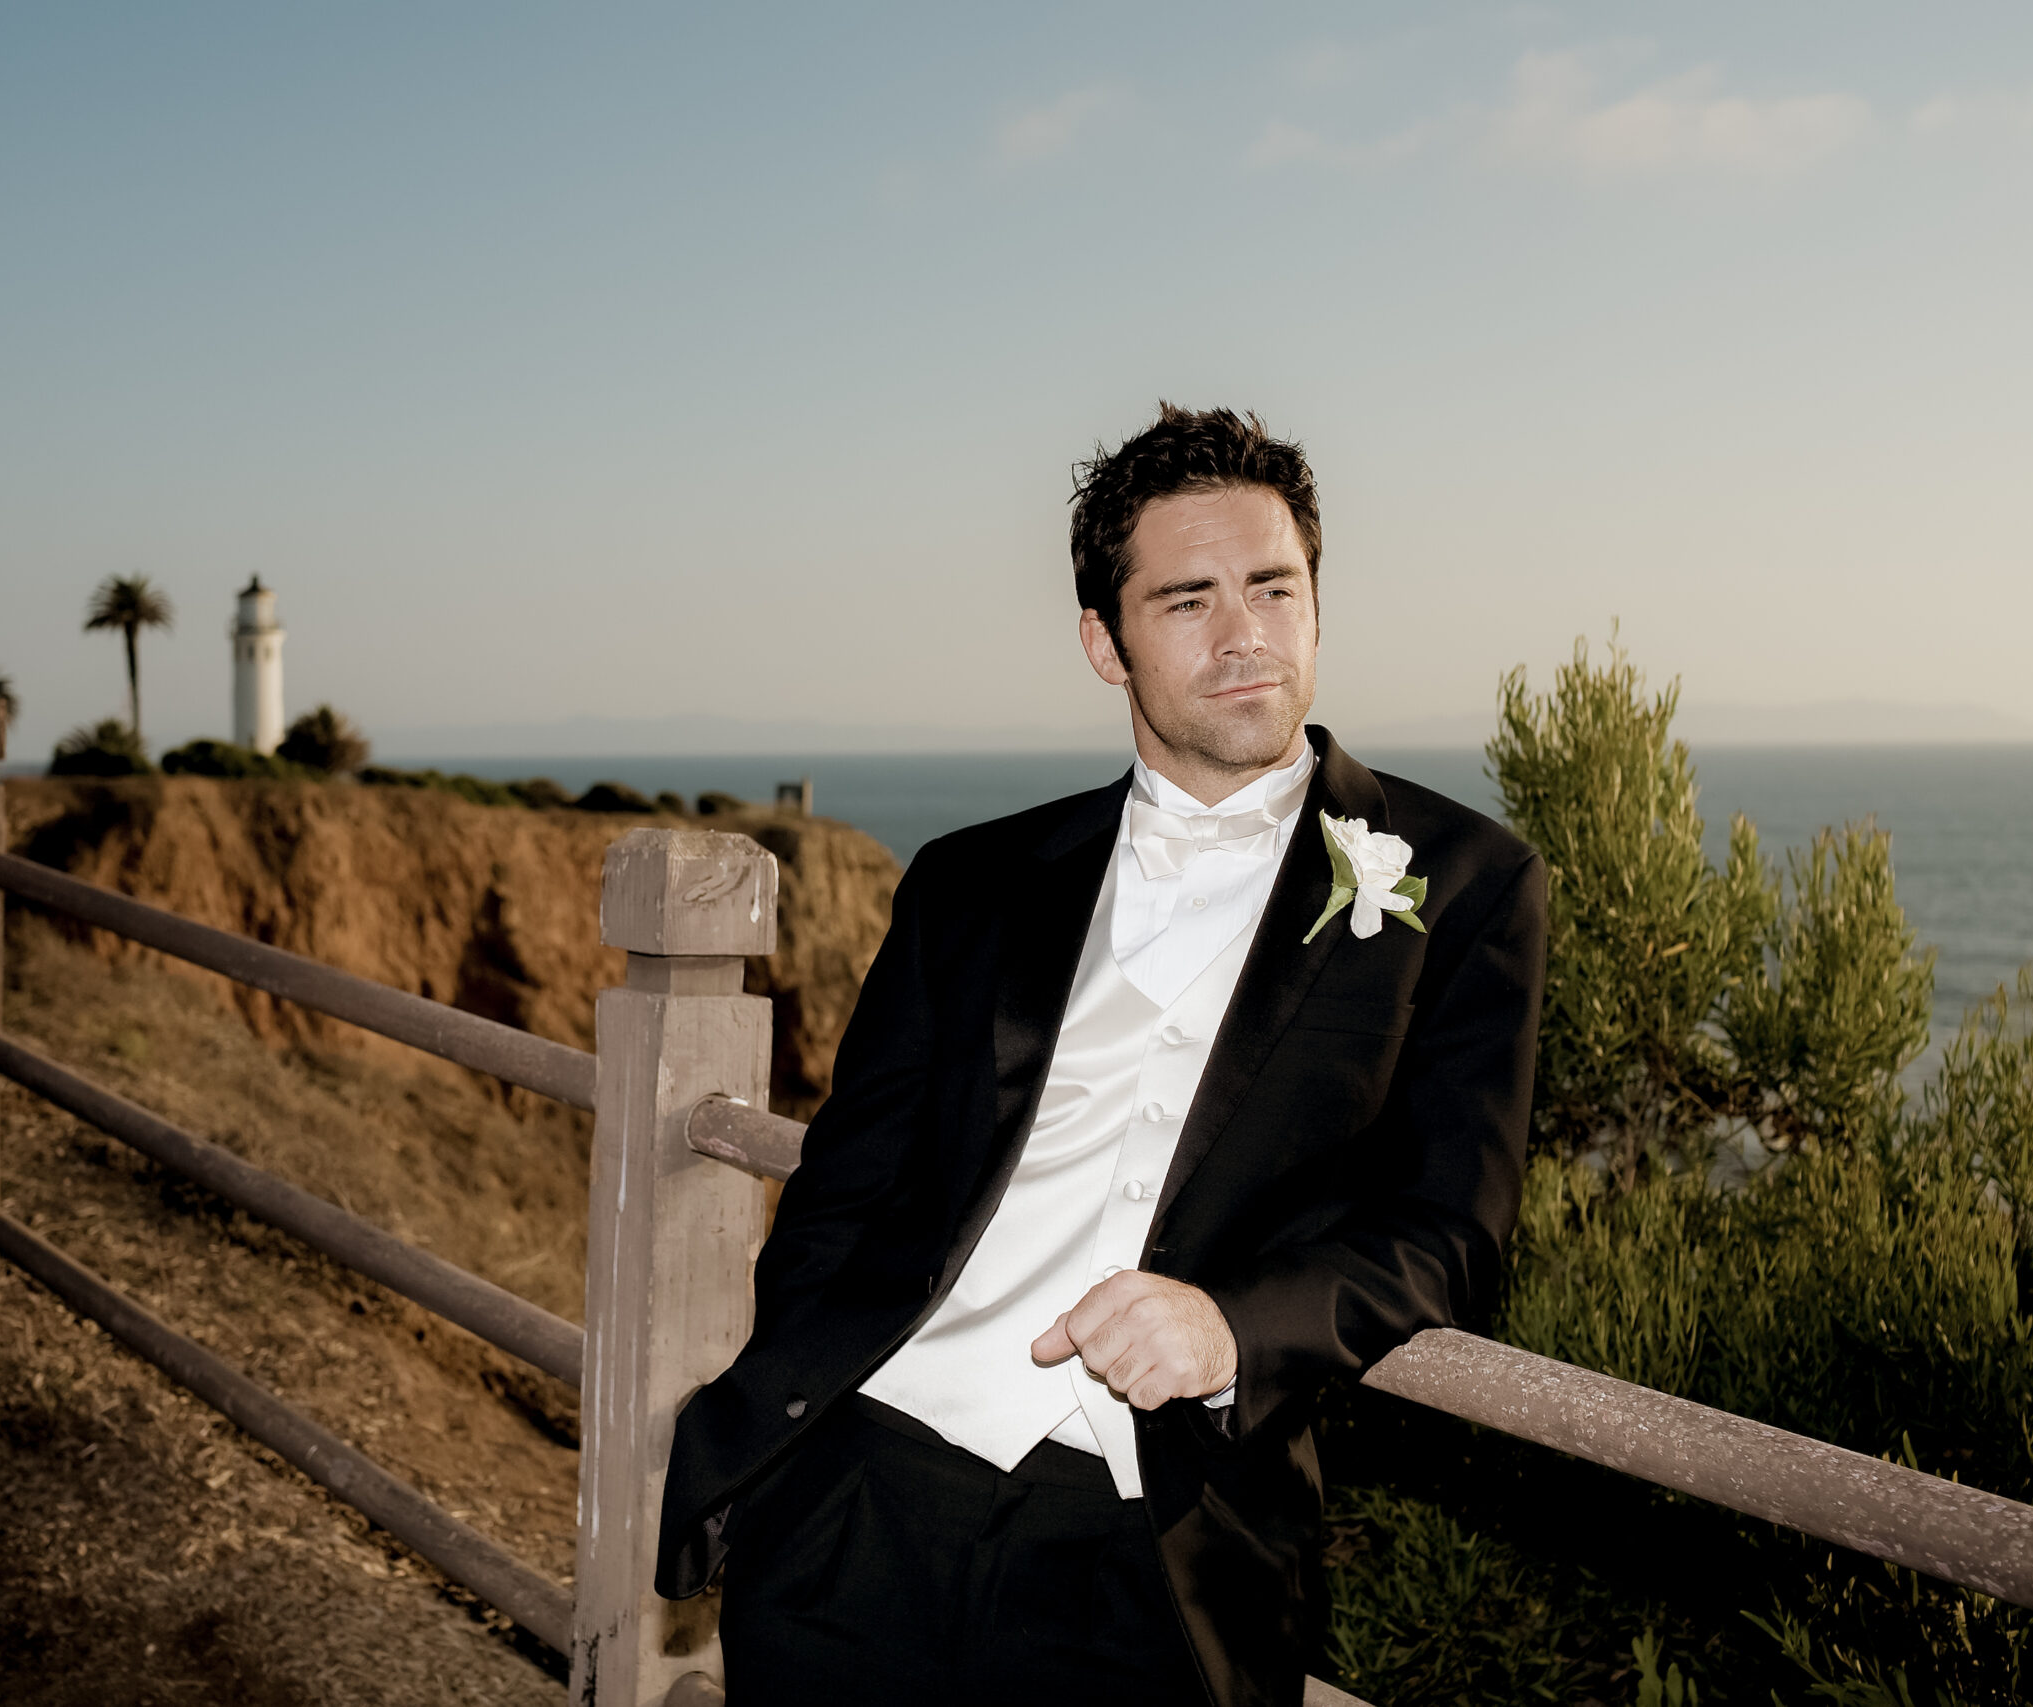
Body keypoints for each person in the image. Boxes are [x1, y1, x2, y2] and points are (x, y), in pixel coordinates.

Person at [655, 404, 1549, 1707]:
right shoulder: (972, 883)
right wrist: (803, 1449)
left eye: (1273, 588)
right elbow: (845, 1188)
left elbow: (1452, 1228)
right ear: (1104, 641)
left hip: (1156, 1554)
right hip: (862, 1504)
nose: (1244, 634)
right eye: (1187, 600)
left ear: (1316, 605)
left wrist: (1231, 1328)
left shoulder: (1464, 883)